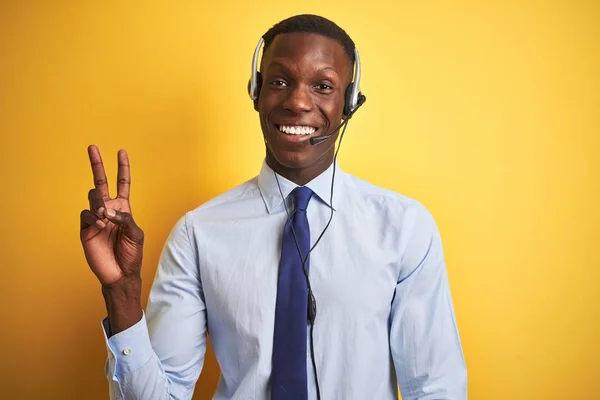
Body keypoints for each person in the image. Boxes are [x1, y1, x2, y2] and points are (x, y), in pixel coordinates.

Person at [80, 14, 467, 400]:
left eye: (323, 86)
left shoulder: (404, 227)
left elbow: (435, 388)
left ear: (349, 103)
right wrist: (122, 293)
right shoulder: (198, 232)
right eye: (280, 82)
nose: (298, 102)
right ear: (256, 91)